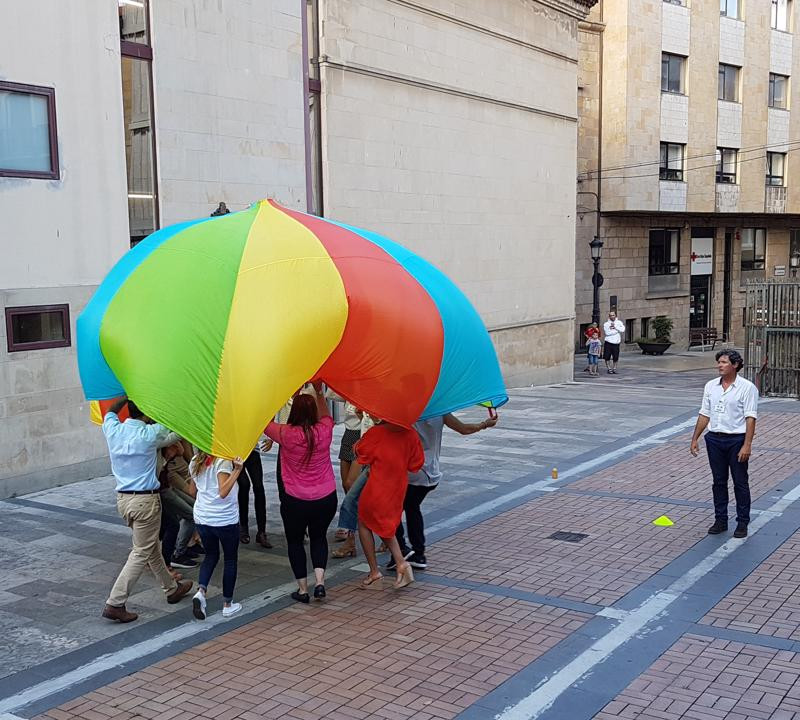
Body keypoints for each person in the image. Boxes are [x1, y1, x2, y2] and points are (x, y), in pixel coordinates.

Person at [101, 396, 193, 623]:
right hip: (145, 501)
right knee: (141, 551)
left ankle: (171, 589)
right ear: (148, 415)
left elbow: (110, 413)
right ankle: (115, 602)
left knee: (149, 547)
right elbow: (176, 428)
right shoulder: (149, 435)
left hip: (123, 500)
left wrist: (125, 395)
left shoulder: (114, 430)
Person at [390, 412, 498, 571]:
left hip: (412, 470)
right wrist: (485, 424)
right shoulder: (441, 410)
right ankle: (417, 553)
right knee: (411, 507)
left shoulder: (408, 410)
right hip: (431, 472)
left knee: (393, 509)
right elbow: (464, 429)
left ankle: (402, 550)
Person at [265, 384, 338, 603]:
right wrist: (317, 392)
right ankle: (320, 583)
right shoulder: (324, 431)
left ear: (294, 413)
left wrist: (288, 395)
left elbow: (265, 422)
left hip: (294, 499)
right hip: (325, 497)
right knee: (319, 538)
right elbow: (326, 414)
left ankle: (303, 589)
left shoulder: (285, 434)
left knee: (295, 542)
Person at [690, 349, 758, 539]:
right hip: (714, 439)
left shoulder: (747, 388)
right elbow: (705, 413)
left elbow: (750, 418)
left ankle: (742, 522)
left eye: (724, 362)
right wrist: (695, 438)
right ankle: (721, 519)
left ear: (735, 365)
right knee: (719, 481)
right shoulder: (711, 386)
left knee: (740, 482)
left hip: (736, 439)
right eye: (718, 362)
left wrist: (747, 444)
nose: (719, 365)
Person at [355, 421, 424, 590]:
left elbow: (361, 454)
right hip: (398, 486)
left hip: (377, 486)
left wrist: (358, 443)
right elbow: (415, 464)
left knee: (365, 522)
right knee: (385, 524)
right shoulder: (411, 433)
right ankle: (400, 563)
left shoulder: (376, 432)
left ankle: (377, 571)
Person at [190, 452, 245, 619]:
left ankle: (201, 592)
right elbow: (223, 492)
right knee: (230, 559)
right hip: (224, 519)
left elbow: (191, 491)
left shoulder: (195, 460)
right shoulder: (223, 462)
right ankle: (228, 604)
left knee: (211, 555)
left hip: (202, 517)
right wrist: (237, 470)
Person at [237, 448, 272, 548]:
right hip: (235, 451)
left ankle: (261, 531)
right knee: (244, 485)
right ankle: (243, 527)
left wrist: (271, 439)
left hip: (252, 449)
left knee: (258, 487)